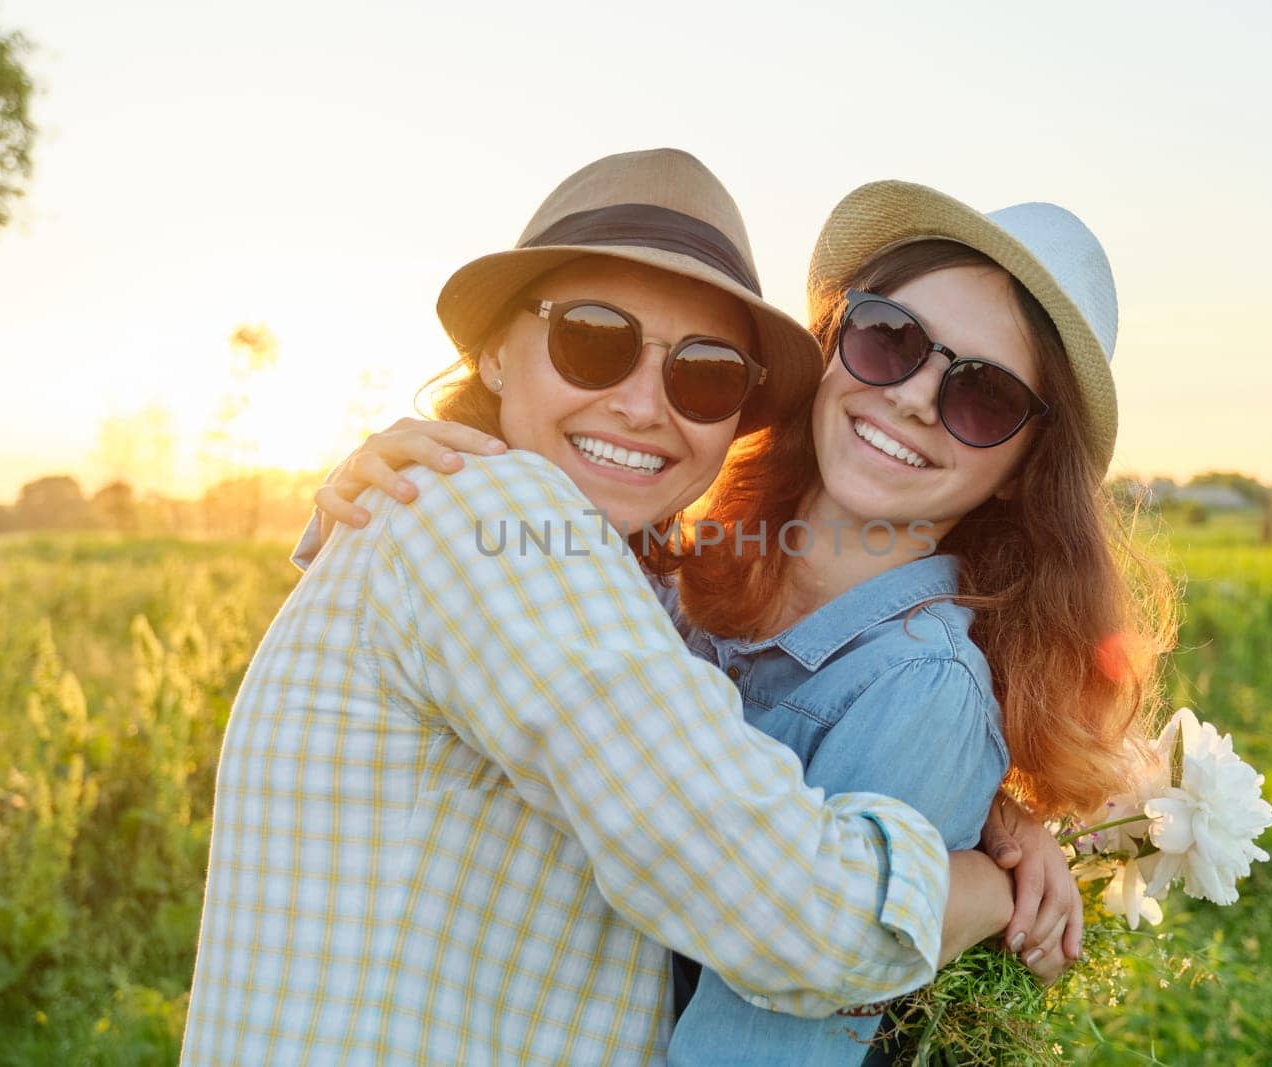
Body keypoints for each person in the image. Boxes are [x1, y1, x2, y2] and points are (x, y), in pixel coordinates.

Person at [181, 150, 1024, 1066]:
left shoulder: (540, 549)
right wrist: (984, 886)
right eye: (593, 337)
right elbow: (800, 917)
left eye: (702, 373)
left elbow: (701, 732)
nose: (637, 404)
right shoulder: (500, 519)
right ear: (496, 351)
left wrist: (998, 811)